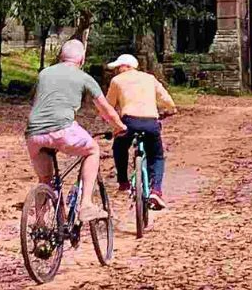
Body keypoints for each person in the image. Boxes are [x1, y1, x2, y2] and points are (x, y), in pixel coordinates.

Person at [26, 39, 127, 222]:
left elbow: (36, 99)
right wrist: (120, 126)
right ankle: (86, 204)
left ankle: (40, 224)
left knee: (45, 180)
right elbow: (105, 109)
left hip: (33, 133)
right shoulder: (84, 77)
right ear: (82, 59)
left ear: (61, 56)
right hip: (62, 128)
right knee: (92, 150)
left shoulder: (44, 73)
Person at [106, 54, 176, 210]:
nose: (117, 71)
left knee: (119, 147)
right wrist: (171, 109)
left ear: (126, 66)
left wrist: (113, 124)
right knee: (157, 157)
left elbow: (108, 106)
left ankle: (123, 182)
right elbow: (166, 99)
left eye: (119, 67)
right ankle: (156, 190)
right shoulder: (150, 78)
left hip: (129, 122)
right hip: (151, 122)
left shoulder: (117, 81)